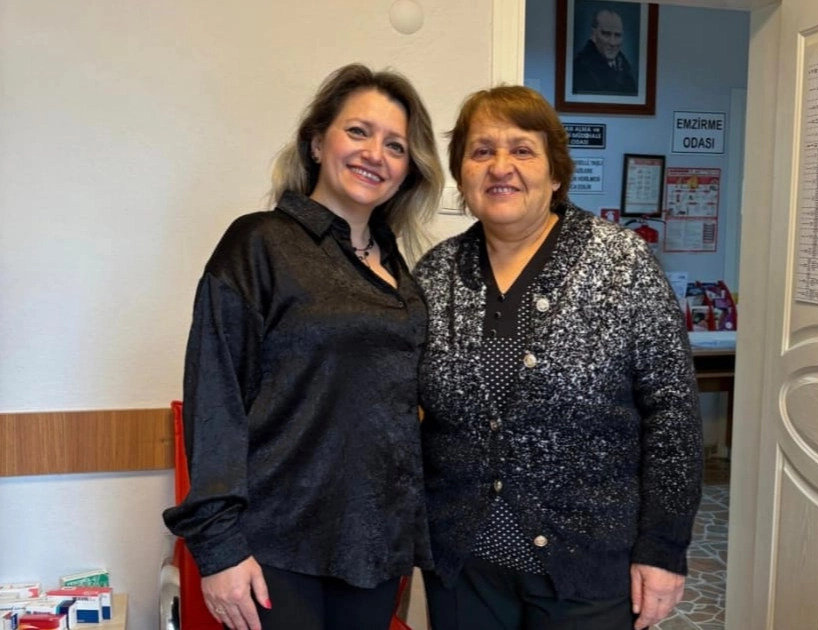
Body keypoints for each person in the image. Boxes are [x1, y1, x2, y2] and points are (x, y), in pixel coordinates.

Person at [162, 63, 444, 630]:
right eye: (358, 131)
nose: (375, 154)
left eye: (395, 145)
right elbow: (215, 397)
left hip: (373, 545)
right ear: (317, 142)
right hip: (275, 545)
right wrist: (219, 550)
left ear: (407, 170)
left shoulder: (399, 271)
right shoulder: (259, 243)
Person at [414, 85, 702, 630]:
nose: (501, 167)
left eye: (522, 150)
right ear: (462, 174)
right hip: (464, 565)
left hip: (588, 563)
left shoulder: (621, 264)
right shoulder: (436, 273)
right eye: (482, 151)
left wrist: (663, 548)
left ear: (555, 174)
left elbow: (672, 415)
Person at [572, 9, 638, 95]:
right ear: (593, 34)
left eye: (618, 35)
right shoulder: (579, 68)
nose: (613, 43)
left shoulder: (626, 68)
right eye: (606, 34)